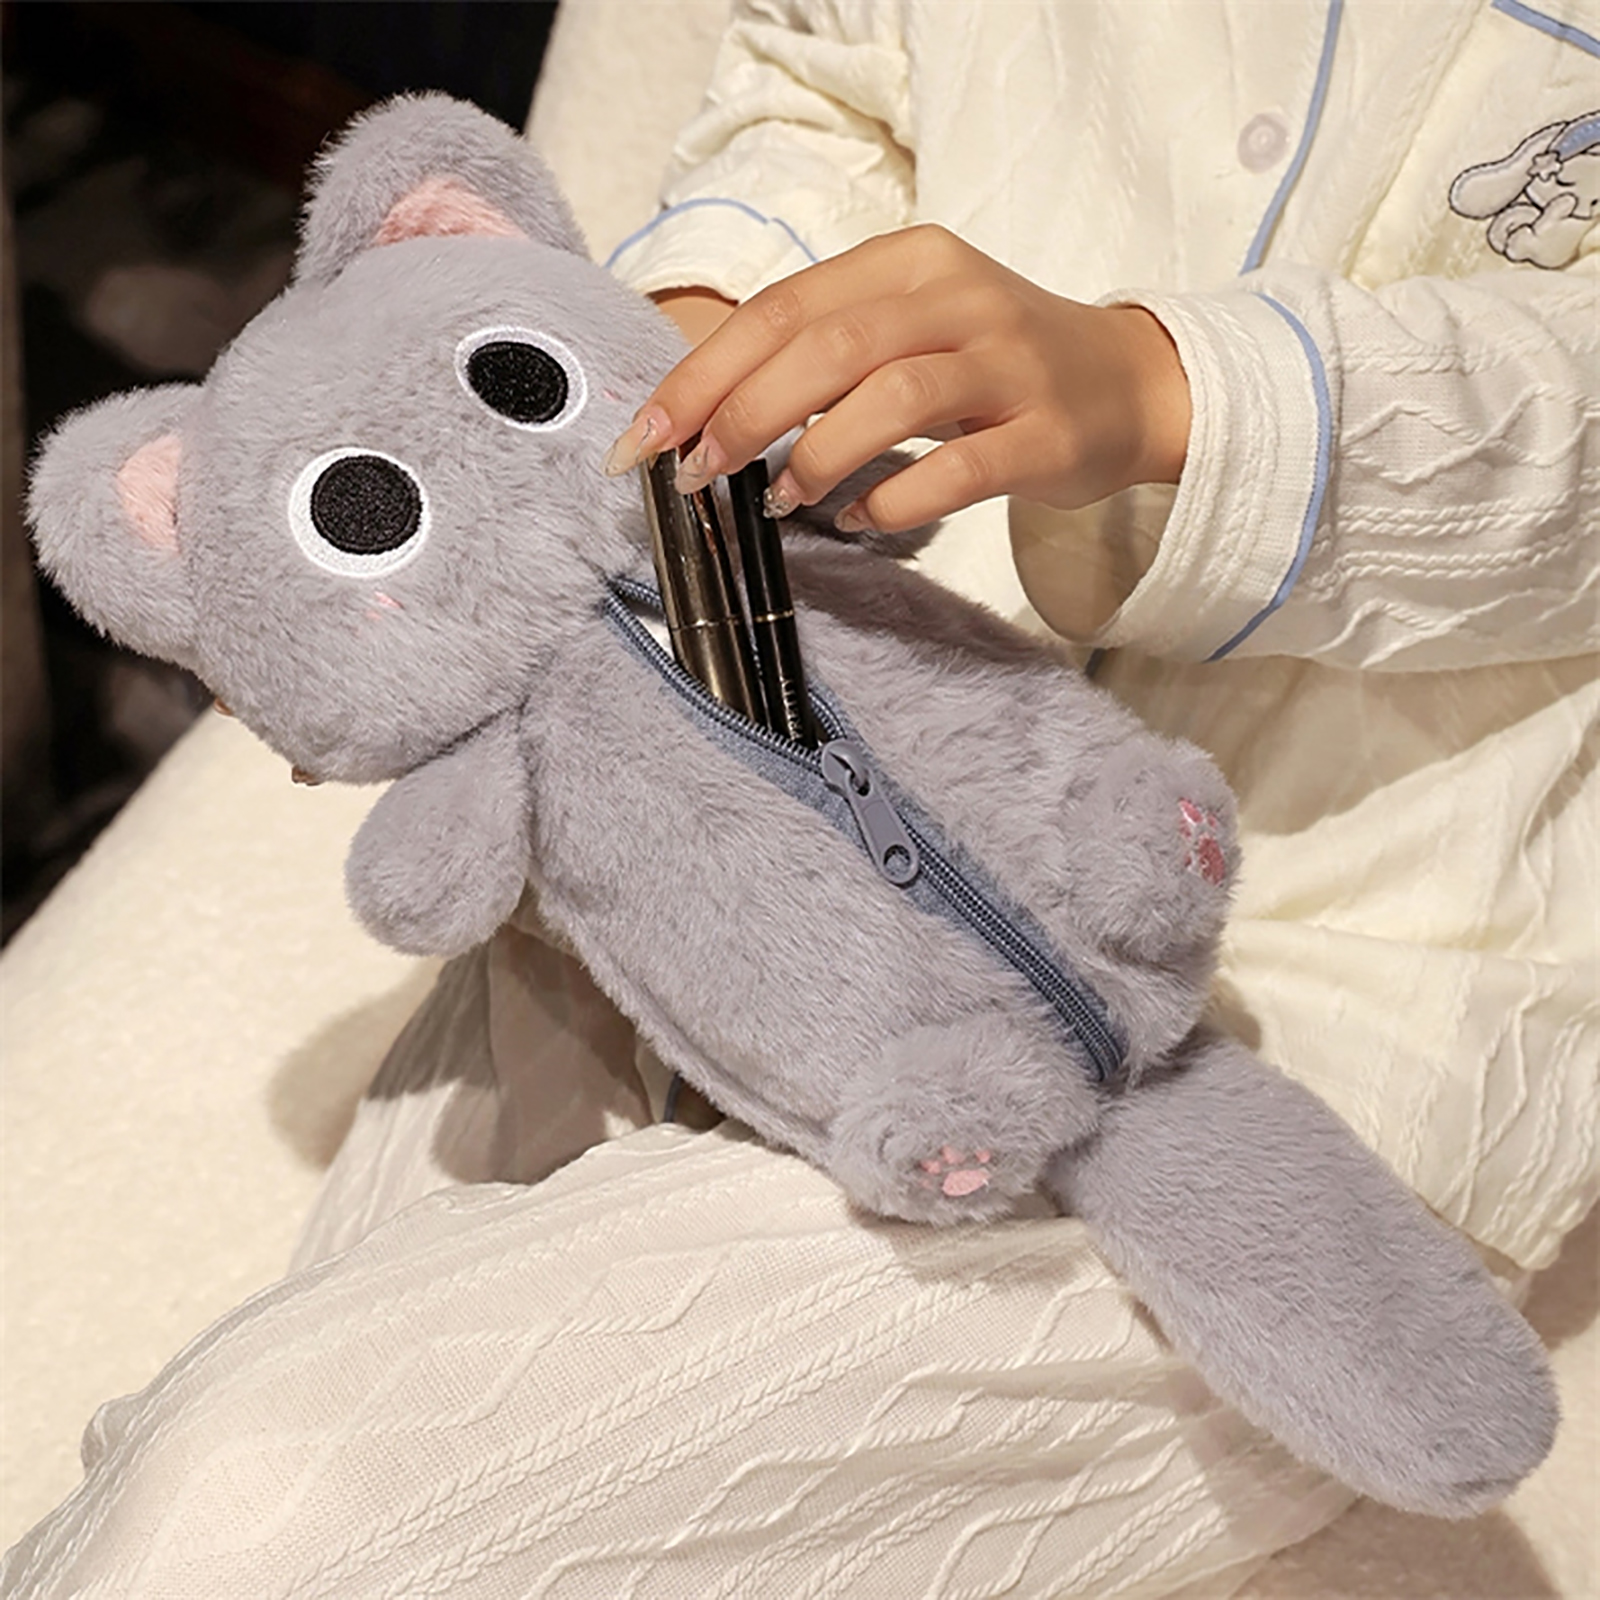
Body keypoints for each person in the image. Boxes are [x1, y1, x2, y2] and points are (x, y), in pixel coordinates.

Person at [5, 2, 1595, 1595]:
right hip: (706, 736)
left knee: (247, 1515)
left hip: (1350, 934)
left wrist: (1177, 397)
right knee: (211, 1465)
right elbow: (823, 78)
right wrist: (660, 361)